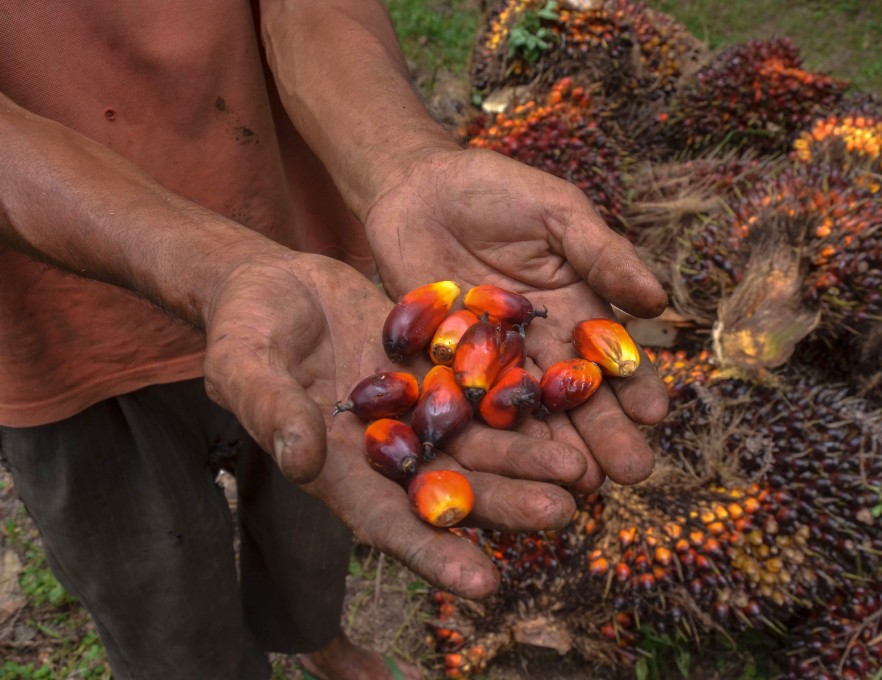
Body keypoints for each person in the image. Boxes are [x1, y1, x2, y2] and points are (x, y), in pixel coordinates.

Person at [0, 2, 669, 678]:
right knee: (160, 603)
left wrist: (405, 160)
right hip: (59, 335)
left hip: (309, 292)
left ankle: (319, 640)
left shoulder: (399, 358)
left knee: (314, 523)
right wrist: (213, 268)